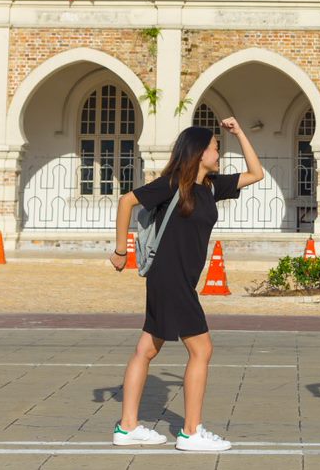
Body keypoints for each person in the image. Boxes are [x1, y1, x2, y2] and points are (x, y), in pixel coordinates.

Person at [109, 118, 264, 452]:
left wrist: (240, 133)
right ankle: (191, 432)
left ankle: (127, 427)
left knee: (147, 348)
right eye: (215, 147)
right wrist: (121, 251)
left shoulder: (211, 186)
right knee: (202, 349)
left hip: (177, 279)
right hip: (170, 276)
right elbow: (126, 202)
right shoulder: (171, 185)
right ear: (198, 152)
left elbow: (256, 174)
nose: (219, 152)